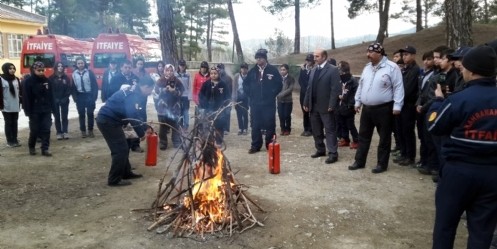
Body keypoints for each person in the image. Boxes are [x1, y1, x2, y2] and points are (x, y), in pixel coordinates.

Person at [428, 45, 497, 249]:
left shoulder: (458, 99)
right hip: (493, 174)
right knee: (482, 230)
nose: (462, 70)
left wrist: (437, 102)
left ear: (473, 70)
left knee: (445, 226)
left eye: (464, 67)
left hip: (458, 172)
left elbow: (434, 125)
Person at [348, 43, 404, 173]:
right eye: (367, 52)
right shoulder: (367, 68)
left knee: (384, 137)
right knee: (363, 136)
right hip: (367, 109)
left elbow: (398, 87)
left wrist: (397, 105)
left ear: (380, 53)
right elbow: (361, 85)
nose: (368, 55)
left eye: (371, 52)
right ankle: (359, 161)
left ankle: (382, 164)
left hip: (384, 109)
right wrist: (357, 102)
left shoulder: (392, 67)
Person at [96, 78, 155, 187]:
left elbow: (136, 114)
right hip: (108, 121)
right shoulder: (132, 95)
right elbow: (131, 115)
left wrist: (146, 126)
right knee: (120, 150)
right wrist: (141, 134)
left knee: (124, 146)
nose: (150, 92)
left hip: (113, 120)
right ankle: (114, 179)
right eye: (150, 89)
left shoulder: (135, 92)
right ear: (145, 87)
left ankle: (126, 173)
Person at [303, 49, 341, 164]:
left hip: (326, 106)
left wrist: (332, 104)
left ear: (324, 57)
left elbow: (336, 89)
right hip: (314, 106)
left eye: (317, 56)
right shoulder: (314, 70)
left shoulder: (333, 70)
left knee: (329, 130)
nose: (314, 58)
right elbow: (309, 88)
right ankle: (320, 149)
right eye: (314, 56)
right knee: (316, 130)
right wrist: (306, 102)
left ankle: (333, 153)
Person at [243, 48, 282, 154]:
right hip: (255, 103)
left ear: (265, 59)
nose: (258, 60)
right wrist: (250, 94)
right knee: (255, 125)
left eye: (260, 58)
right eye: (257, 58)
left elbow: (279, 84)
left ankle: (270, 145)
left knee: (270, 124)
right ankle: (255, 145)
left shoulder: (272, 70)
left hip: (269, 103)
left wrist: (272, 94)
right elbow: (245, 84)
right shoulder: (252, 71)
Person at [393, 45, 420, 167]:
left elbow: (408, 89)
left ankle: (410, 156)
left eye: (407, 54)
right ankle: (403, 153)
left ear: (413, 55)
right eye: (403, 55)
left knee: (408, 131)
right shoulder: (404, 69)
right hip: (400, 104)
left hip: (408, 104)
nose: (404, 57)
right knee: (400, 130)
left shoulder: (415, 70)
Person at [22, 61, 54, 156]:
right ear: (34, 70)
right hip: (34, 110)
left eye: (42, 70)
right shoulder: (28, 82)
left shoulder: (47, 81)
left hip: (46, 109)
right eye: (38, 70)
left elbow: (51, 95)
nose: (41, 72)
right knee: (35, 130)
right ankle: (31, 147)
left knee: (46, 129)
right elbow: (26, 98)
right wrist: (27, 111)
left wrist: (53, 108)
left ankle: (45, 149)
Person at [153, 64, 184, 150]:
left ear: (173, 71)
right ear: (164, 71)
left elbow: (181, 91)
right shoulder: (160, 81)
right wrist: (164, 90)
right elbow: (155, 93)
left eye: (171, 71)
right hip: (163, 108)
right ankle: (163, 143)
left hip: (174, 108)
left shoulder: (177, 81)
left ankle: (176, 142)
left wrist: (174, 91)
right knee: (163, 127)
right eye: (167, 70)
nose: (169, 72)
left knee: (175, 126)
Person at [198, 67, 230, 146]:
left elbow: (227, 97)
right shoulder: (206, 84)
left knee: (219, 126)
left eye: (215, 73)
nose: (213, 75)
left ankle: (219, 141)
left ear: (218, 74)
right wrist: (203, 106)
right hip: (208, 109)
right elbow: (200, 95)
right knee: (208, 126)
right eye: (211, 73)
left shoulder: (223, 84)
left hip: (219, 109)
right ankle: (209, 142)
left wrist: (224, 107)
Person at [415, 51, 435, 170]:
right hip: (420, 107)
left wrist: (424, 106)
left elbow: (431, 95)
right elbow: (420, 92)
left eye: (429, 59)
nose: (426, 62)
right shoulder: (422, 73)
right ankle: (423, 159)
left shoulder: (435, 74)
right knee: (422, 136)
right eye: (425, 59)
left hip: (429, 108)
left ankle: (429, 163)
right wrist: (418, 104)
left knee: (428, 138)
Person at [72, 57, 98, 138]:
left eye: (82, 63)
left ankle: (90, 130)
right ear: (76, 64)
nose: (80, 65)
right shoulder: (74, 74)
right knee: (81, 114)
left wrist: (94, 97)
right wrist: (75, 98)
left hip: (89, 95)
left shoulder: (90, 73)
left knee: (90, 113)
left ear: (84, 63)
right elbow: (73, 87)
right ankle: (83, 131)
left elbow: (95, 85)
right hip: (80, 95)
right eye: (79, 63)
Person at [336, 61, 359, 149]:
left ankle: (357, 140)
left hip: (349, 106)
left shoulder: (352, 81)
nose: (338, 69)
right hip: (340, 106)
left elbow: (356, 94)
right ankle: (345, 139)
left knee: (350, 125)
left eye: (339, 68)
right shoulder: (339, 80)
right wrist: (338, 96)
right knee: (342, 124)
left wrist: (350, 104)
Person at [49, 62, 72, 140]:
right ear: (55, 67)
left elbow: (69, 89)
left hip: (64, 100)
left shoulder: (66, 78)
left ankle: (65, 131)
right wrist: (55, 99)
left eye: (62, 66)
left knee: (64, 116)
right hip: (55, 101)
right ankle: (59, 132)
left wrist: (64, 98)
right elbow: (50, 90)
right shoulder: (51, 78)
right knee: (57, 117)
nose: (60, 67)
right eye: (58, 66)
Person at [0, 62, 22, 147]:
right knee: (8, 123)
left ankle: (15, 139)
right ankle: (10, 141)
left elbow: (20, 92)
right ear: (5, 69)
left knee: (15, 122)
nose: (12, 70)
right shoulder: (1, 79)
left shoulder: (16, 79)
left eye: (13, 68)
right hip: (6, 105)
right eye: (10, 68)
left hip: (15, 105)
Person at [298, 54, 314, 137]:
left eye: (309, 60)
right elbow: (300, 80)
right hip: (303, 93)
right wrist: (305, 89)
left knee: (312, 112)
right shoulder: (303, 69)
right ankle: (306, 129)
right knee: (305, 112)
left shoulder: (314, 70)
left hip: (311, 94)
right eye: (307, 60)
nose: (307, 62)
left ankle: (312, 129)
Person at [276, 64, 295, 136]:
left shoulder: (291, 78)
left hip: (288, 100)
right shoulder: (278, 78)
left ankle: (288, 129)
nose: (282, 71)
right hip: (280, 101)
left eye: (284, 70)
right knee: (281, 115)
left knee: (287, 115)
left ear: (287, 70)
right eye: (281, 70)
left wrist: (280, 95)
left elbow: (290, 89)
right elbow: (276, 87)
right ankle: (282, 129)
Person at [232, 62, 249, 135]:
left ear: (247, 69)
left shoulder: (249, 76)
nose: (244, 70)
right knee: (239, 113)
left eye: (245, 68)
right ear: (240, 69)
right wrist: (234, 100)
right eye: (242, 68)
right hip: (238, 96)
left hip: (246, 97)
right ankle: (240, 128)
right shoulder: (236, 76)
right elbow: (234, 88)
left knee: (245, 113)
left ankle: (245, 128)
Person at [217, 63, 233, 134]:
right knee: (219, 114)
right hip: (218, 99)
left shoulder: (228, 78)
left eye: (220, 68)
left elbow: (230, 89)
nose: (219, 70)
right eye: (218, 68)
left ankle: (226, 129)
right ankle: (220, 128)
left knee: (227, 114)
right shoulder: (216, 77)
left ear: (223, 69)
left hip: (226, 99)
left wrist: (229, 99)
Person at [176, 59, 191, 131]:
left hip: (185, 96)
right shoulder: (175, 75)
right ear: (178, 66)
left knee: (185, 111)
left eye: (183, 65)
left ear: (185, 66)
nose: (182, 67)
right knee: (179, 111)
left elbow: (190, 85)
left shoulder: (188, 75)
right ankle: (180, 124)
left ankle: (186, 125)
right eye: (180, 65)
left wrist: (189, 96)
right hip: (178, 96)